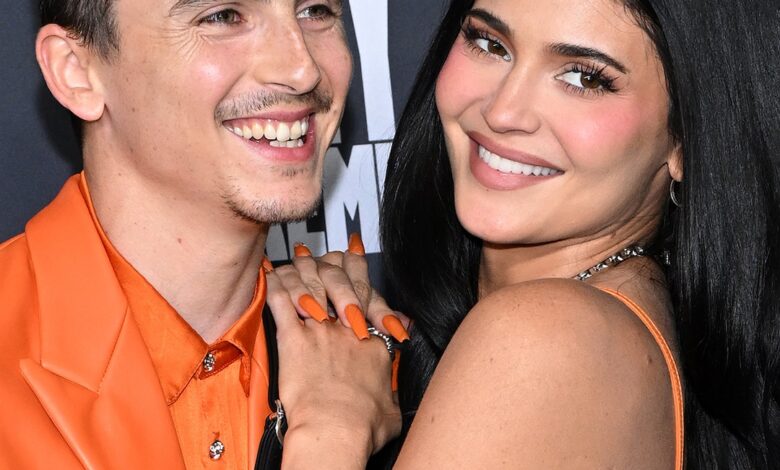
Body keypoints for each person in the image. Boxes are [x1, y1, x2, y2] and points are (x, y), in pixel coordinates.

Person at [263, 0, 779, 468]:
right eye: (490, 43)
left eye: (584, 78)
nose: (502, 111)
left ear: (684, 138)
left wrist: (331, 428)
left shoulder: (545, 338)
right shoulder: (630, 318)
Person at [0, 1, 403, 468]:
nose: (302, 69)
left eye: (315, 10)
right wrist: (332, 439)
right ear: (76, 71)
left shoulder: (374, 377)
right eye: (222, 16)